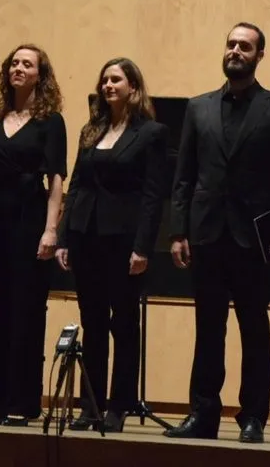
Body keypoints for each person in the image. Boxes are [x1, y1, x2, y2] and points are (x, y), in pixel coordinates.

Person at [166, 22, 270, 443]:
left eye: (245, 46)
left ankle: (253, 416)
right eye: (231, 44)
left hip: (254, 237)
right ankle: (203, 413)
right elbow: (183, 176)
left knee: (254, 329)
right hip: (206, 233)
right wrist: (177, 231)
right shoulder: (198, 107)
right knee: (208, 328)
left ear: (260, 56)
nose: (236, 51)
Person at [55, 58, 169, 432]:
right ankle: (90, 405)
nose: (108, 85)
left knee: (124, 323)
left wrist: (143, 247)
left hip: (123, 240)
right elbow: (76, 185)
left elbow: (153, 196)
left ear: (133, 86)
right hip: (85, 236)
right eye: (104, 79)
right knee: (92, 322)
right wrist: (64, 236)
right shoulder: (91, 129)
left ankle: (118, 405)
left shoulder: (151, 133)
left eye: (116, 79)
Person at [0, 44, 67, 427]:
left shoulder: (51, 122)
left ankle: (22, 403)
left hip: (30, 217)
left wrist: (51, 229)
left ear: (39, 75)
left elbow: (57, 179)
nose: (18, 68)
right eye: (14, 63)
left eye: (26, 64)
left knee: (26, 310)